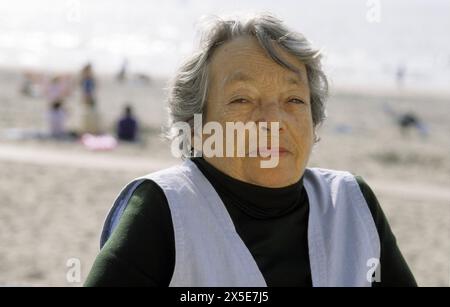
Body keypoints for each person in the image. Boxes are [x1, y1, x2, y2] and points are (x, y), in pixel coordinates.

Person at [86, 14, 416, 287]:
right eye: (242, 99)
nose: (274, 120)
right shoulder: (164, 209)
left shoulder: (350, 203)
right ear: (196, 127)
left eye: (294, 100)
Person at [80, 63, 101, 134]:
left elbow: (94, 87)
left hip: (90, 96)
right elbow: (85, 90)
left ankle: (90, 129)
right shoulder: (85, 79)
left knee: (91, 112)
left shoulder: (89, 78)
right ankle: (88, 129)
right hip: (88, 96)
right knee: (87, 112)